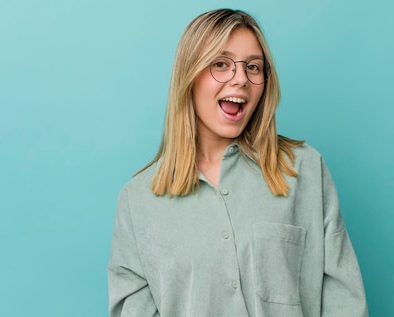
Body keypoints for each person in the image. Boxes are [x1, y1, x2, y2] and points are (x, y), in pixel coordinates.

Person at [108, 8, 368, 317]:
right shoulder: (137, 202)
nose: (241, 79)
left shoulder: (305, 170)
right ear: (189, 76)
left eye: (254, 67)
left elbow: (345, 304)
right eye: (221, 64)